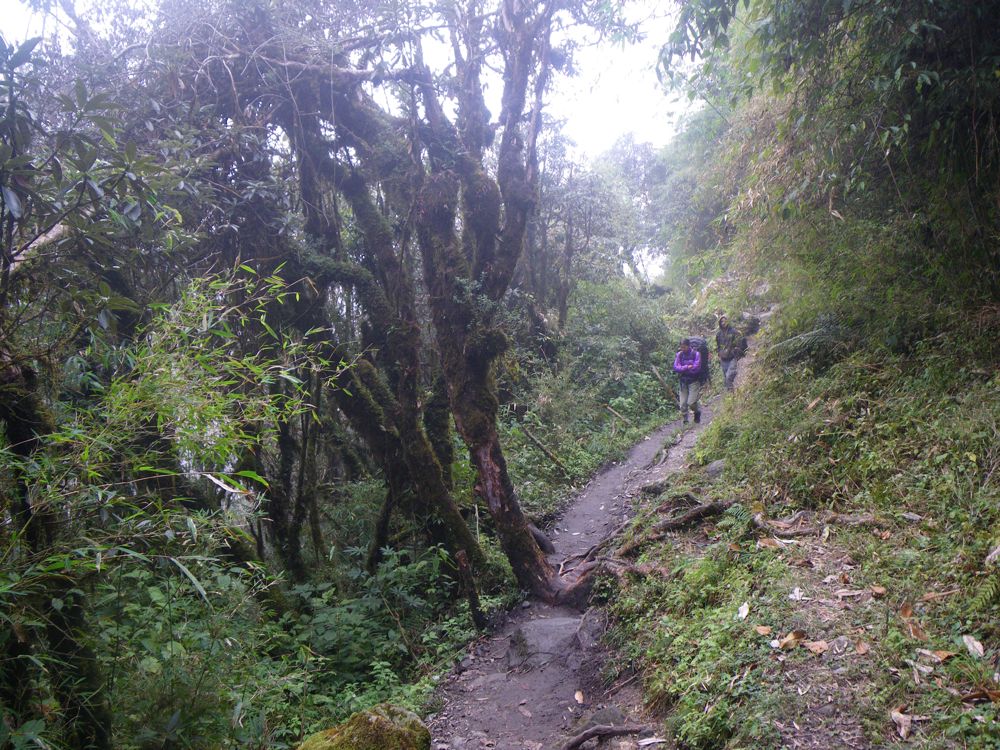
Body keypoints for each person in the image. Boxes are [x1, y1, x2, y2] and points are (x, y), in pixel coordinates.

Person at [673, 338, 702, 424]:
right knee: (682, 404)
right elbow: (676, 367)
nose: (682, 349)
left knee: (691, 403)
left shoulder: (696, 354)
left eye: (684, 347)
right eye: (681, 347)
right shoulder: (679, 355)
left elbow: (696, 368)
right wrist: (686, 367)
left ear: (689, 346)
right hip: (683, 382)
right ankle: (685, 420)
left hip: (694, 381)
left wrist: (682, 369)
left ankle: (697, 412)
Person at [715, 315, 745, 391]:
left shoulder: (734, 331)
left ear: (728, 321)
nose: (723, 323)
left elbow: (740, 342)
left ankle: (732, 392)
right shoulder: (718, 334)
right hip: (723, 359)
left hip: (732, 357)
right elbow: (718, 346)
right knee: (726, 378)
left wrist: (736, 352)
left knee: (729, 376)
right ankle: (731, 393)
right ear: (720, 323)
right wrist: (719, 354)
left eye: (725, 321)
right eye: (722, 321)